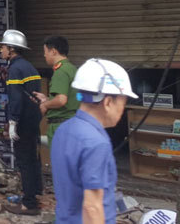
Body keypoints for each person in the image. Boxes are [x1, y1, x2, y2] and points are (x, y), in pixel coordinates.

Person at [51, 58, 137, 224]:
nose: (123, 109)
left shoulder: (64, 129)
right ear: (108, 102)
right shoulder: (96, 143)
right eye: (123, 102)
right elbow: (92, 207)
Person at [0, 29, 43, 215]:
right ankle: (34, 194)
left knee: (24, 161)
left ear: (11, 49)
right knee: (32, 160)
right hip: (33, 121)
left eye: (2, 47)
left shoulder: (15, 69)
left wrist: (12, 122)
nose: (0, 50)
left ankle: (29, 204)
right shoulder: (29, 66)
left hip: (23, 123)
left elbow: (16, 98)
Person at [32, 35, 79, 150]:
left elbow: (61, 100)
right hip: (72, 124)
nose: (44, 55)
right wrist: (47, 99)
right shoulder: (72, 69)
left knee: (60, 164)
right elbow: (69, 99)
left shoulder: (60, 71)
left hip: (61, 126)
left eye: (45, 52)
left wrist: (45, 105)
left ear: (53, 51)